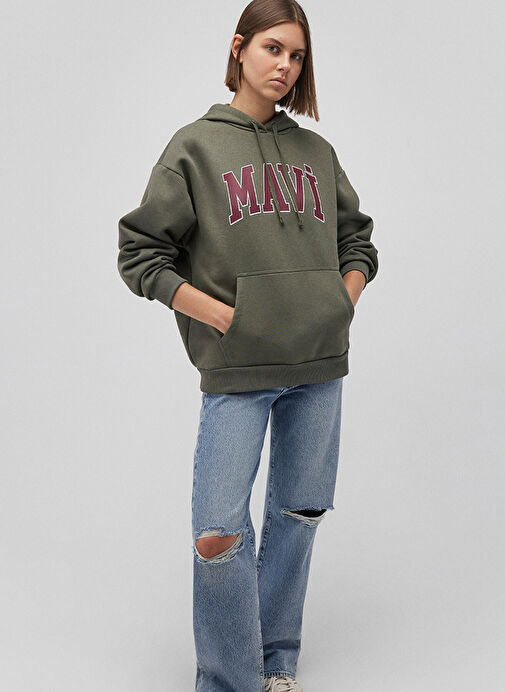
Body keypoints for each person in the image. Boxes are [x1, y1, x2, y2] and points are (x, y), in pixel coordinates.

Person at [117, 0, 379, 689]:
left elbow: (357, 240)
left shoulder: (316, 152)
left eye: (296, 56)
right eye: (272, 48)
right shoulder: (195, 148)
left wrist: (339, 301)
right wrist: (222, 317)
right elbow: (140, 254)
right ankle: (229, 680)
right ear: (238, 47)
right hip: (237, 369)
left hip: (318, 367)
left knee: (298, 515)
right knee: (218, 535)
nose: (285, 66)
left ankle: (276, 660)